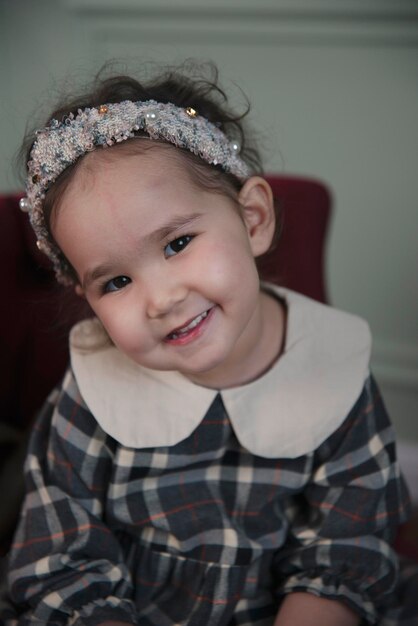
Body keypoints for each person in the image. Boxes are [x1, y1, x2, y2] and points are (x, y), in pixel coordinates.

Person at [1, 62, 417, 626]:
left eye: (177, 243)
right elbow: (64, 564)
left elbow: (345, 552)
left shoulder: (332, 368)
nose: (161, 299)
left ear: (253, 219)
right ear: (85, 295)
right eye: (116, 282)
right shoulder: (90, 396)